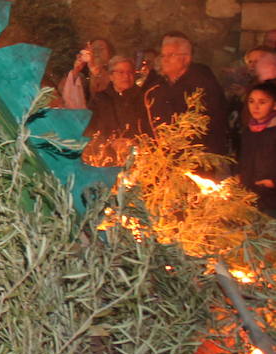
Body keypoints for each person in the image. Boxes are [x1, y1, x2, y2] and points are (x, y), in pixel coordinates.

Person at [141, 32, 229, 160]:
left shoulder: (203, 85)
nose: (164, 59)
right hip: (160, 158)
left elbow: (212, 124)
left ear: (186, 58)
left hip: (193, 159)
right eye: (163, 55)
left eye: (171, 55)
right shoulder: (156, 86)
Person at [82, 55, 147, 167]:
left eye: (130, 72)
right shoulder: (100, 100)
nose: (126, 76)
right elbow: (90, 129)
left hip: (139, 159)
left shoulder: (144, 98)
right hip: (107, 159)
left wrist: (134, 142)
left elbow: (149, 126)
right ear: (111, 76)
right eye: (121, 72)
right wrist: (110, 142)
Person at [238, 81, 276, 218]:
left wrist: (272, 183)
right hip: (250, 197)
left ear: (274, 104)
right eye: (251, 101)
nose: (256, 107)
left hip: (272, 200)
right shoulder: (248, 131)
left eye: (262, 102)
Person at [58, 38, 112, 110]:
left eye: (101, 48)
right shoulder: (82, 76)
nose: (96, 52)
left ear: (109, 53)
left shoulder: (115, 73)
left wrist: (94, 70)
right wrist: (76, 71)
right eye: (93, 49)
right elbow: (62, 92)